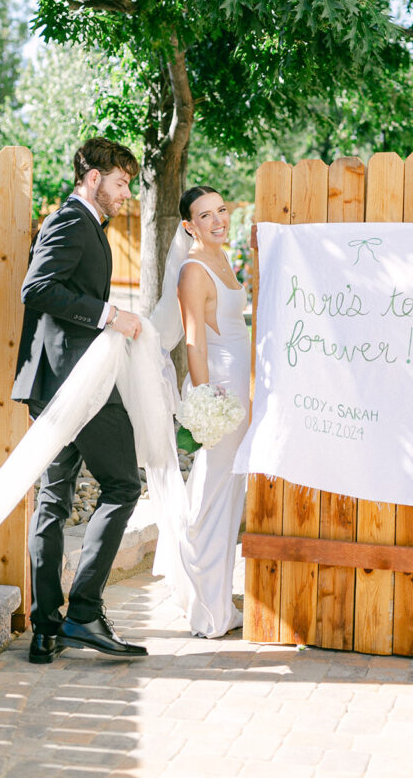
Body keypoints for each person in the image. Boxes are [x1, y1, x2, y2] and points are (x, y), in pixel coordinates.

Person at [12, 137, 149, 664]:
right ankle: (84, 613)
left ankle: (46, 630)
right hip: (78, 382)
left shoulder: (79, 222)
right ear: (93, 178)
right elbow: (37, 288)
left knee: (53, 500)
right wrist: (110, 315)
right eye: (120, 183)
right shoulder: (71, 221)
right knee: (122, 485)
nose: (125, 194)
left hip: (54, 382)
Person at [154, 186, 250, 638]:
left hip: (239, 385)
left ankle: (215, 600)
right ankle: (207, 607)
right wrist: (207, 401)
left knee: (227, 494)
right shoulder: (193, 270)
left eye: (222, 211)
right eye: (206, 216)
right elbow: (194, 341)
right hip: (222, 389)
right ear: (189, 225)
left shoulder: (223, 258)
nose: (218, 221)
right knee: (213, 493)